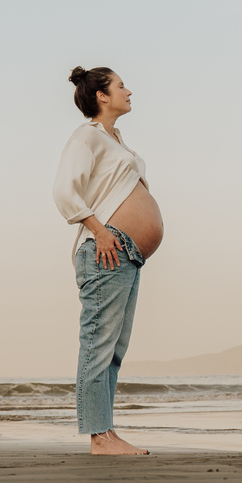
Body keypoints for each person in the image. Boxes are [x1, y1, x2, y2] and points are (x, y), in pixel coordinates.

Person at [52, 66, 164, 456]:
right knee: (98, 344)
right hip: (106, 249)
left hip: (128, 255)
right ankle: (99, 437)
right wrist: (100, 230)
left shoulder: (118, 141)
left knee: (114, 349)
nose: (128, 91)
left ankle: (107, 432)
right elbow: (64, 189)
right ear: (101, 95)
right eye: (120, 86)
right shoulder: (87, 137)